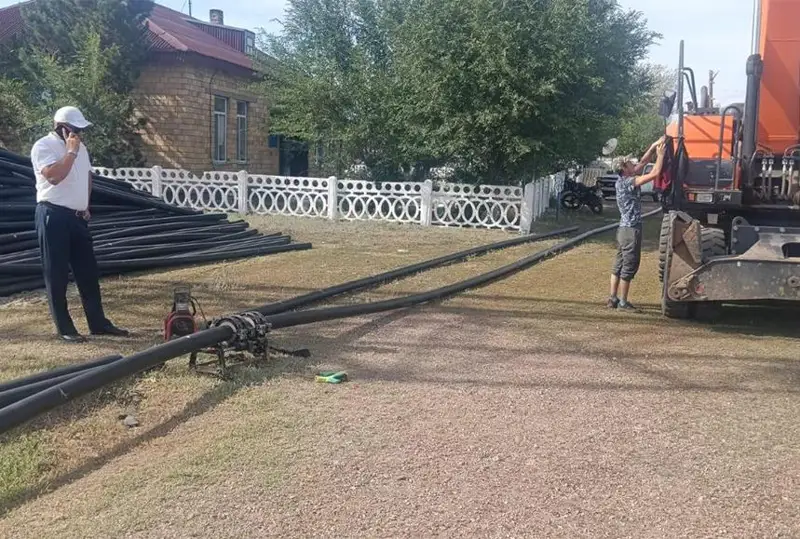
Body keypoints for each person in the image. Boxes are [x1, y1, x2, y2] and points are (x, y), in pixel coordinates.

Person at [31, 106, 129, 343]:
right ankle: (65, 327)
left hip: (76, 217)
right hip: (52, 215)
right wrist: (71, 152)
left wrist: (84, 203)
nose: (80, 135)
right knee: (56, 273)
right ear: (63, 128)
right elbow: (54, 176)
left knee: (87, 273)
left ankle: (98, 322)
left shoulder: (82, 149)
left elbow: (86, 176)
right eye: (75, 130)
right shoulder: (43, 146)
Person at [607, 137, 667, 311]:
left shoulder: (622, 180)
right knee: (629, 264)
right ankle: (624, 302)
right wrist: (661, 155)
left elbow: (643, 161)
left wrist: (655, 144)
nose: (634, 164)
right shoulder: (629, 182)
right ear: (625, 169)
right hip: (631, 230)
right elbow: (655, 173)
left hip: (623, 229)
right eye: (630, 164)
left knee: (618, 263)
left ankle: (613, 298)